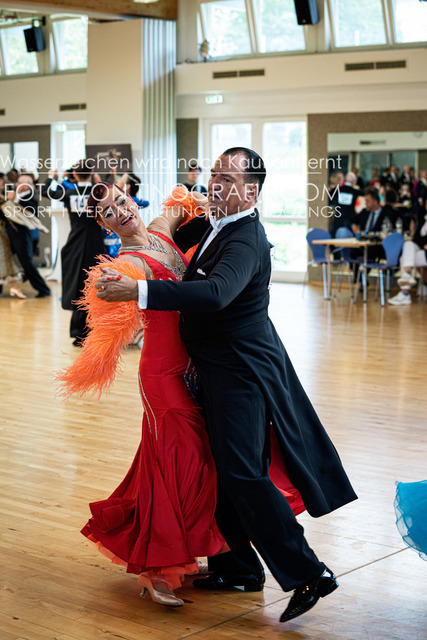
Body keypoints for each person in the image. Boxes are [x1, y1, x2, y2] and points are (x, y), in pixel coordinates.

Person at [95, 147, 358, 624]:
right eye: (214, 174)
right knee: (223, 471)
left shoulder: (245, 239)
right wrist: (138, 218)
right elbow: (160, 235)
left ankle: (309, 573)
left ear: (251, 191)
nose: (215, 184)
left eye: (227, 179)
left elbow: (216, 294)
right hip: (210, 371)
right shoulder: (216, 224)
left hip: (241, 373)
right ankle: (237, 568)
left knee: (243, 474)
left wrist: (139, 290)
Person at [57, 183, 305, 608]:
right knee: (177, 467)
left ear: (132, 200)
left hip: (197, 369)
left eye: (122, 201)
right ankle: (159, 570)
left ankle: (224, 560)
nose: (121, 212)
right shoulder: (130, 263)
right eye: (109, 212)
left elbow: (184, 202)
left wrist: (211, 201)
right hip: (163, 374)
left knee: (209, 465)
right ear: (103, 224)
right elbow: (112, 301)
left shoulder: (160, 229)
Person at [43, 160, 105, 345]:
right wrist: (99, 183)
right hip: (95, 243)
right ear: (92, 172)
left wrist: (51, 177)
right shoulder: (99, 193)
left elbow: (47, 191)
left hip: (75, 244)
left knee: (77, 285)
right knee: (94, 284)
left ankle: (78, 332)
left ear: (75, 175)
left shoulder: (70, 193)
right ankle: (94, 330)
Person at [2, 173, 50, 298]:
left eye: (20, 183)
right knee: (5, 259)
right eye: (17, 182)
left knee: (26, 262)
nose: (17, 184)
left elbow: (30, 211)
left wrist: (14, 200)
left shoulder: (30, 196)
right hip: (10, 233)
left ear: (27, 185)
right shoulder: (16, 195)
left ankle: (43, 289)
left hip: (21, 235)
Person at [388, 210, 427, 305]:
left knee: (404, 259)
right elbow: (416, 239)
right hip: (423, 251)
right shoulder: (423, 219)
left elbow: (419, 240)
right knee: (408, 244)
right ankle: (407, 275)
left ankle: (405, 293)